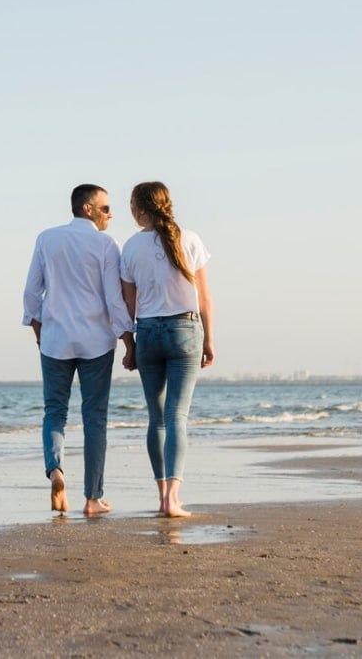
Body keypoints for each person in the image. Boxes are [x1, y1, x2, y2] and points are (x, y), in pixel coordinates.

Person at [23, 184, 136, 517]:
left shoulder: (47, 238)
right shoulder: (105, 244)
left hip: (55, 341)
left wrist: (39, 331)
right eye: (105, 209)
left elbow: (31, 293)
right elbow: (114, 299)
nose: (111, 215)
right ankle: (92, 499)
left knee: (54, 412)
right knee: (94, 418)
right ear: (87, 209)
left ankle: (55, 471)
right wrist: (128, 339)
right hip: (96, 342)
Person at [120, 181, 214, 518]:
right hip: (185, 329)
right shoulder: (190, 239)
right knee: (177, 417)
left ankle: (162, 496)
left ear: (140, 209)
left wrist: (129, 343)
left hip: (147, 331)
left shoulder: (130, 247)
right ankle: (173, 499)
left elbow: (127, 304)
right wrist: (209, 340)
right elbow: (204, 298)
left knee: (156, 419)